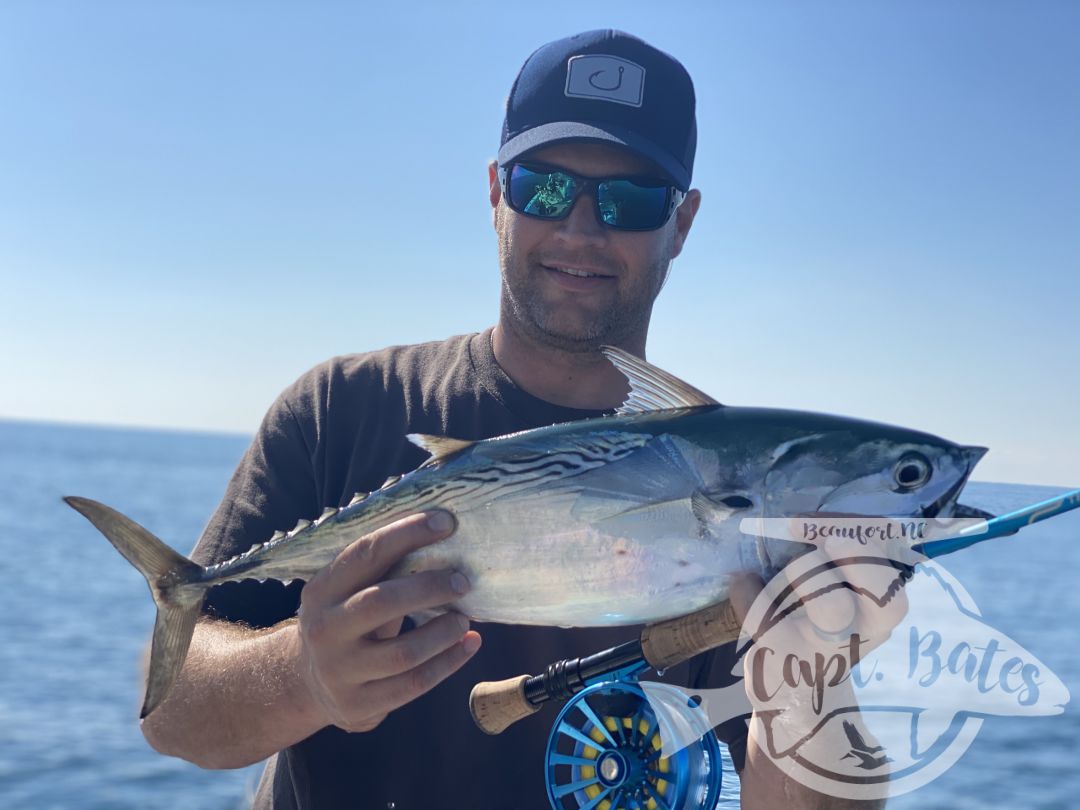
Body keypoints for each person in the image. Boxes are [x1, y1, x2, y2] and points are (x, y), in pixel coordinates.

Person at [140, 30, 884, 809]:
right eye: (546, 188)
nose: (581, 230)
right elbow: (175, 719)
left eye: (630, 200)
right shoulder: (339, 409)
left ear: (683, 223)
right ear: (497, 192)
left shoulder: (751, 486)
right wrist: (304, 676)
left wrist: (816, 690)